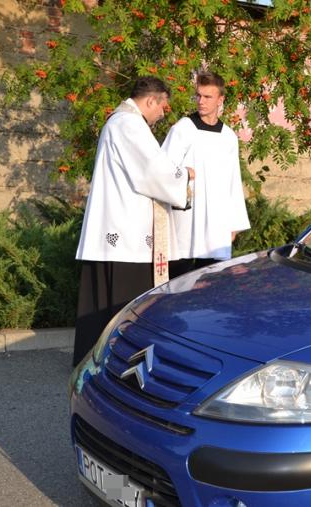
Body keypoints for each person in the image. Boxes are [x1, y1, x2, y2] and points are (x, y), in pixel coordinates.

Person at [72, 76, 194, 366]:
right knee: (126, 307)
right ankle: (118, 363)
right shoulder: (129, 125)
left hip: (119, 230)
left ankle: (99, 361)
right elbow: (153, 172)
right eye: (162, 107)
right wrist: (185, 176)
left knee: (106, 307)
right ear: (151, 100)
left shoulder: (120, 122)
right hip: (127, 236)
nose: (162, 114)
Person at [162, 71, 250, 278]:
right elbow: (164, 171)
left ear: (220, 99)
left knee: (211, 281)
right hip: (185, 219)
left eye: (208, 97)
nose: (201, 101)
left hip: (216, 221)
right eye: (198, 95)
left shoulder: (228, 136)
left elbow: (233, 181)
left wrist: (234, 223)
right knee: (177, 280)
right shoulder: (182, 129)